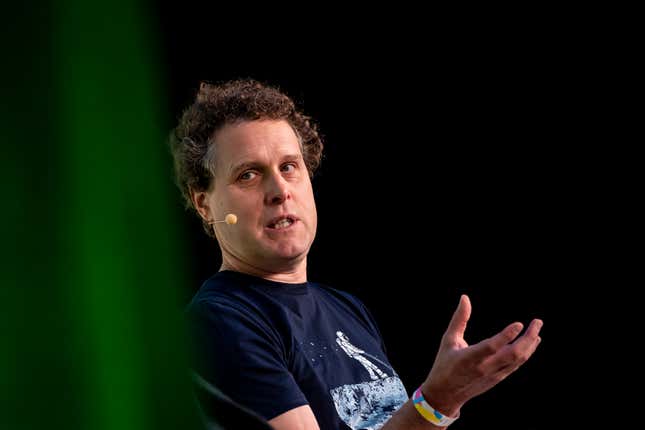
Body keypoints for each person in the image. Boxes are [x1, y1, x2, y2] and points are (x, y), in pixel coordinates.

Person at [170, 79, 543, 429]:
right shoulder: (219, 322)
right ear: (204, 204)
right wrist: (437, 401)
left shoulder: (346, 308)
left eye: (289, 167)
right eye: (248, 175)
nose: (279, 190)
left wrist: (440, 402)